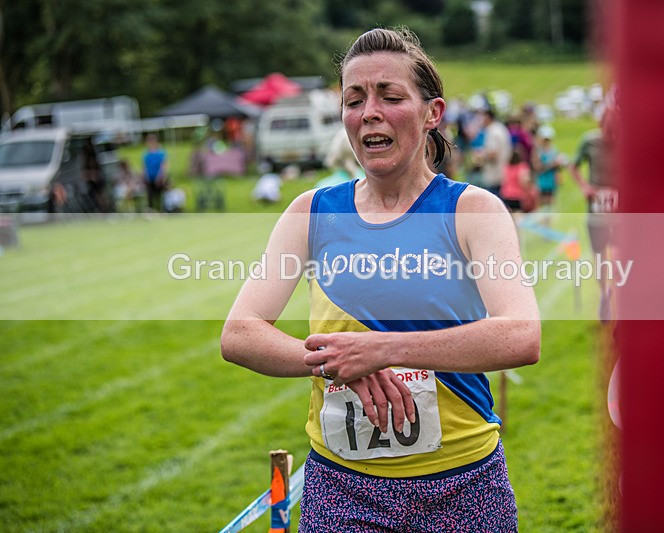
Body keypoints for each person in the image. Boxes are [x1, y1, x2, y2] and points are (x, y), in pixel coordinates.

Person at [221, 27, 540, 532]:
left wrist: (383, 350)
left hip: (463, 488)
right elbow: (239, 333)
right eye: (354, 99)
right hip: (341, 489)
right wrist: (335, 362)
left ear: (432, 113)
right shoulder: (312, 212)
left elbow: (521, 335)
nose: (369, 111)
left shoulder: (473, 210)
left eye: (390, 97)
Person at [568, 97, 618, 322]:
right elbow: (573, 166)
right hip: (596, 206)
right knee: (600, 254)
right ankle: (604, 294)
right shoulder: (590, 141)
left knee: (618, 252)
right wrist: (584, 187)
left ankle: (615, 294)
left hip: (620, 208)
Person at [142, 133, 168, 212]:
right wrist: (145, 176)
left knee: (159, 196)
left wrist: (161, 176)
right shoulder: (146, 153)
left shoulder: (161, 153)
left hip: (159, 178)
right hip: (149, 178)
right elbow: (144, 166)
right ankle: (151, 211)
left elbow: (164, 165)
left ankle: (161, 210)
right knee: (150, 196)